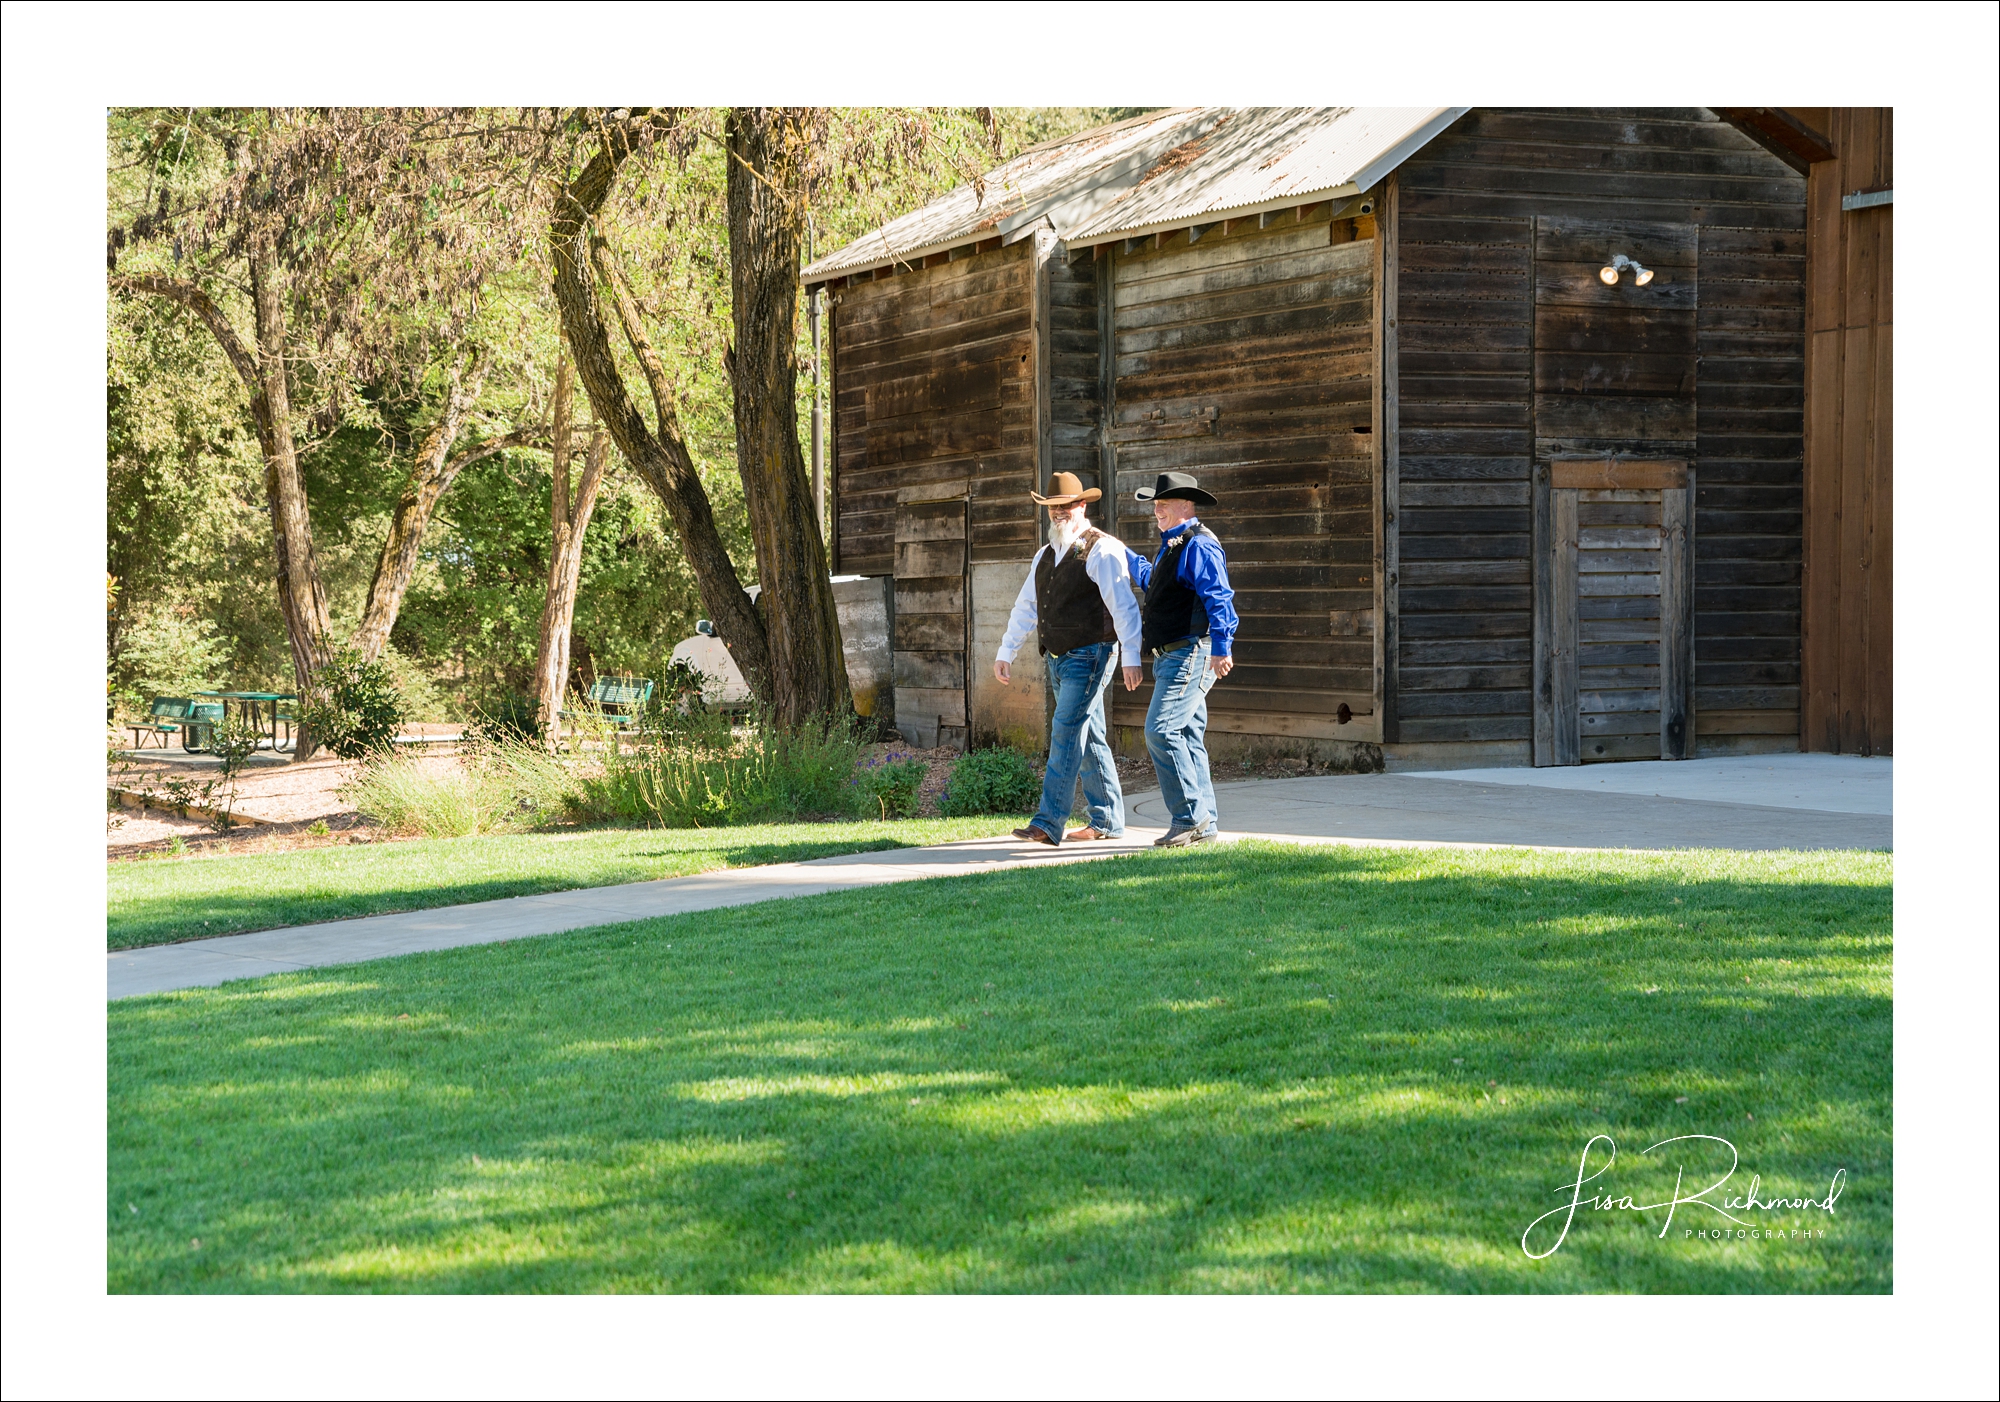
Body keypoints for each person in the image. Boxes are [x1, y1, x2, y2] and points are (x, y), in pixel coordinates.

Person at [994, 472, 1145, 846]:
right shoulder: (1044, 556)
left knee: (1064, 731)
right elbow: (1027, 607)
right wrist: (1005, 652)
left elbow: (1124, 607)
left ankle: (1047, 823)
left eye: (1065, 506)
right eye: (1052, 507)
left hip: (1092, 654)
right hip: (1057, 658)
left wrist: (1131, 656)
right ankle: (1107, 819)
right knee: (1088, 734)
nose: (1058, 513)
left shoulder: (1103, 549)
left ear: (1082, 505)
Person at [1126, 471, 1239, 847]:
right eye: (1154, 504)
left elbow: (1219, 598)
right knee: (1187, 737)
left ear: (1185, 505)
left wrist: (1223, 647)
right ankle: (1204, 825)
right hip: (1175, 657)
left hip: (1189, 654)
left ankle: (1188, 816)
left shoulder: (1198, 545)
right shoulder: (1173, 546)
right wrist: (1123, 556)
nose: (1156, 510)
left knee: (1160, 731)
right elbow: (1154, 582)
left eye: (1163, 503)